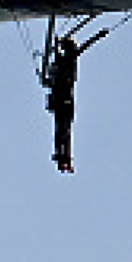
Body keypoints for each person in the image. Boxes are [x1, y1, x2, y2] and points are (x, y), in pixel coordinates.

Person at [41, 29, 105, 172]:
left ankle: (63, 157)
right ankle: (63, 157)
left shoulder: (66, 59)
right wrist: (98, 36)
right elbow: (83, 46)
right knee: (64, 130)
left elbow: (81, 47)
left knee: (62, 129)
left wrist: (57, 43)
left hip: (62, 100)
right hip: (64, 100)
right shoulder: (66, 59)